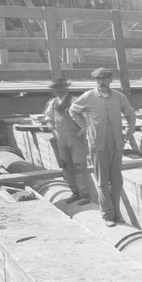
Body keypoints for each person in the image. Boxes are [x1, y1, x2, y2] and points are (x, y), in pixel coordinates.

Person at [69, 68, 137, 227]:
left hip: (116, 144)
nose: (101, 83)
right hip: (98, 145)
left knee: (116, 181)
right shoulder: (89, 97)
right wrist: (87, 128)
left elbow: (131, 115)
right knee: (102, 182)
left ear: (110, 80)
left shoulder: (119, 98)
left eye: (104, 79)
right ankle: (107, 215)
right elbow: (73, 111)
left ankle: (117, 214)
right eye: (98, 80)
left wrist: (127, 134)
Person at [42, 77, 91, 206]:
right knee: (66, 166)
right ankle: (75, 193)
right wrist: (51, 127)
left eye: (60, 88)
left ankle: (85, 195)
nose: (58, 91)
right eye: (55, 89)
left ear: (66, 88)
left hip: (76, 140)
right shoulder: (52, 103)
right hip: (61, 140)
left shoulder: (75, 101)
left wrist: (83, 131)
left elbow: (88, 118)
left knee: (79, 166)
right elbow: (49, 118)